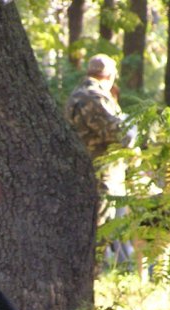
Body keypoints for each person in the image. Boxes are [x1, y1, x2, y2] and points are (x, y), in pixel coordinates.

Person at [65, 54, 135, 264]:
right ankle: (89, 287)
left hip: (88, 175)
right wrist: (134, 125)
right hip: (100, 180)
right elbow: (122, 135)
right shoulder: (94, 97)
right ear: (110, 75)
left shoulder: (77, 94)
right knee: (97, 240)